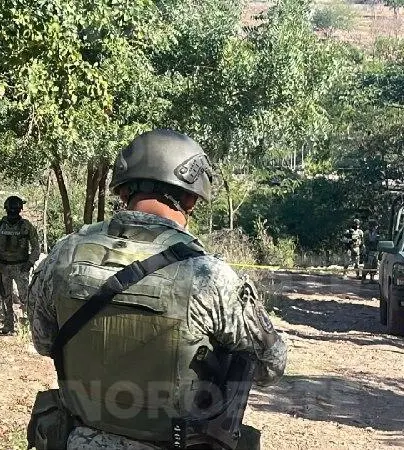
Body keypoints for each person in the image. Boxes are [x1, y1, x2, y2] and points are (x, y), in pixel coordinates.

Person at [26, 129, 287, 450]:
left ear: (124, 193)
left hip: (79, 439)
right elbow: (271, 365)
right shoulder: (210, 275)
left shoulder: (64, 255)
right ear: (190, 198)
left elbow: (43, 341)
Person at [0, 195, 40, 334]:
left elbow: (36, 247)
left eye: (14, 210)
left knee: (25, 298)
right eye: (12, 210)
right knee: (7, 297)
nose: (13, 213)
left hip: (20, 266)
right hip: (4, 267)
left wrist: (29, 263)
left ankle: (29, 326)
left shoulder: (25, 226)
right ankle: (9, 325)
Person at [361, 219, 380, 284]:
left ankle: (372, 278)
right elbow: (367, 242)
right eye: (375, 226)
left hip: (375, 251)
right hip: (369, 251)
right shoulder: (367, 233)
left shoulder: (377, 232)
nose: (376, 227)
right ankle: (363, 278)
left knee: (374, 265)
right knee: (367, 265)